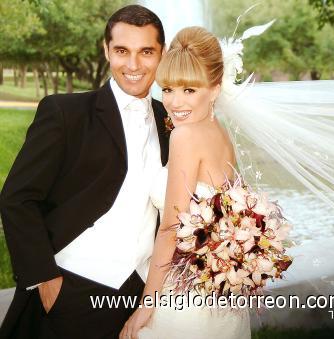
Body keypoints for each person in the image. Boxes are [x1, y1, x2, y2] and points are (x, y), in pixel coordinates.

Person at [0, 5, 169, 338]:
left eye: (146, 51)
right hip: (70, 290)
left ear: (161, 54)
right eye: (122, 51)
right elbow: (17, 199)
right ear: (106, 50)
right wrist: (46, 281)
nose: (133, 65)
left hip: (139, 294)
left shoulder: (172, 120)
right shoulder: (65, 113)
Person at [119, 26, 251, 339]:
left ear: (215, 89)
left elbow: (170, 229)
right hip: (216, 295)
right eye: (168, 89)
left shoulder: (185, 135)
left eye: (189, 90)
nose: (175, 102)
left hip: (182, 299)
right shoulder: (219, 133)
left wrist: (146, 306)